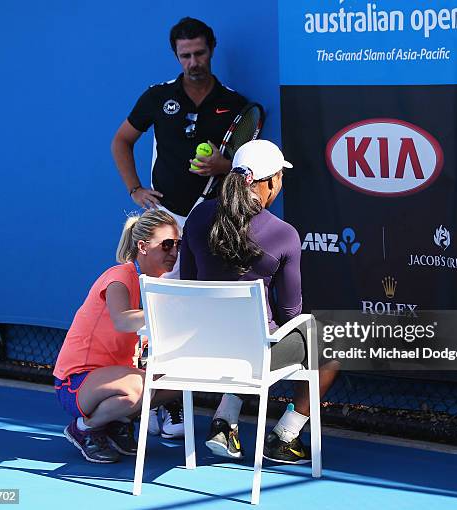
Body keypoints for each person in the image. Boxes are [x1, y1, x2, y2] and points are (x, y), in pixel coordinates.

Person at [180, 140, 339, 464]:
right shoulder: (284, 234)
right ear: (271, 181)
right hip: (253, 355)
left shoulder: (197, 216)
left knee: (251, 343)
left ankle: (225, 423)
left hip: (199, 349)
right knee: (331, 346)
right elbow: (293, 311)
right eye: (280, 178)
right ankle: (285, 436)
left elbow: (187, 282)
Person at [53, 210, 184, 463]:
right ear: (143, 246)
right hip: (76, 383)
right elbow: (123, 319)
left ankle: (116, 423)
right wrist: (171, 310)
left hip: (118, 379)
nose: (174, 252)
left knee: (180, 380)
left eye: (177, 244)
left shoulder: (155, 285)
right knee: (138, 388)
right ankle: (84, 428)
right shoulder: (120, 276)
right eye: (167, 244)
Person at [111, 17, 248, 229]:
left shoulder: (235, 103)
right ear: (176, 55)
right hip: (166, 217)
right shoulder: (157, 96)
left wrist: (224, 166)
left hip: (217, 216)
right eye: (185, 56)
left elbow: (246, 167)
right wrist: (135, 189)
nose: (193, 63)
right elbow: (121, 140)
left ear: (212, 48)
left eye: (199, 53)